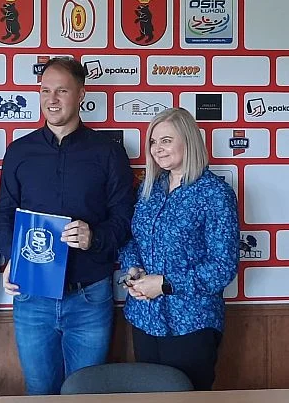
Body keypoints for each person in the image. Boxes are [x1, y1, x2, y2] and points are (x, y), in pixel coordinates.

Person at [0, 57, 135, 395]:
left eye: (62, 91)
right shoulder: (19, 151)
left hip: (90, 296)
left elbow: (124, 219)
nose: (52, 99)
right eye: (45, 90)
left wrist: (93, 237)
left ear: (81, 94)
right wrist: (10, 256)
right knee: (39, 391)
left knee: (85, 394)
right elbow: (4, 213)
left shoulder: (109, 153)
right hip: (32, 295)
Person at [119, 107, 239, 390]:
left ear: (189, 141)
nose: (157, 149)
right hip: (145, 317)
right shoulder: (148, 189)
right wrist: (133, 269)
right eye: (153, 141)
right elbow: (133, 239)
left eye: (166, 140)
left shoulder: (214, 193)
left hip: (191, 322)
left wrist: (165, 284)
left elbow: (223, 267)